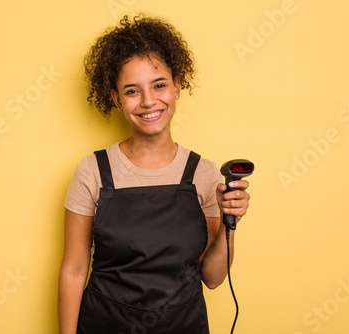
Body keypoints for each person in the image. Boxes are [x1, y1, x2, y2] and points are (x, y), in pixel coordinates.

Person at [58, 14, 251, 334]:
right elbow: (74, 270)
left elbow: (214, 278)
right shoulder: (92, 171)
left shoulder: (203, 174)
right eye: (132, 91)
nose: (149, 101)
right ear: (116, 99)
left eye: (159, 85)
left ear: (176, 86)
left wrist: (231, 224)